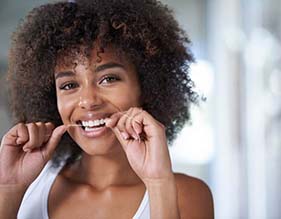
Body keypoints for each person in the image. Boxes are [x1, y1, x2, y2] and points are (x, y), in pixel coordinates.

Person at [0, 0, 214, 218]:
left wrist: (158, 183)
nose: (88, 100)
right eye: (69, 85)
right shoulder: (27, 186)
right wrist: (9, 189)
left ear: (147, 86)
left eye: (108, 79)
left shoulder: (185, 194)